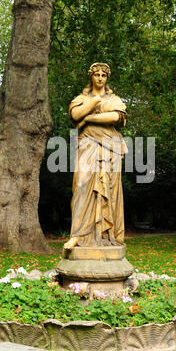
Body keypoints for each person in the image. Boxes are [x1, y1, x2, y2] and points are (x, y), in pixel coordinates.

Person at [64, 62, 127, 252]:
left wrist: (89, 118)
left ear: (107, 78)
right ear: (91, 76)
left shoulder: (115, 99)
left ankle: (106, 235)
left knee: (109, 190)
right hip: (87, 144)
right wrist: (95, 102)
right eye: (97, 74)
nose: (100, 78)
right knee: (82, 186)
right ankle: (77, 235)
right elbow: (75, 115)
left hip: (110, 147)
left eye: (103, 75)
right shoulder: (81, 98)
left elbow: (117, 118)